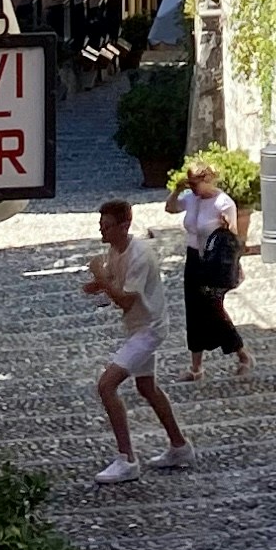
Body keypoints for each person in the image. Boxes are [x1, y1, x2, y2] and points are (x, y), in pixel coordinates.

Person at [83, 196, 188, 484]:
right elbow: (113, 281)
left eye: (107, 226)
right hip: (138, 326)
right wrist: (97, 283)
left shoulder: (140, 254)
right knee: (146, 387)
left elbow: (126, 301)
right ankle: (180, 446)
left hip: (149, 328)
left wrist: (100, 278)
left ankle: (127, 459)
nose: (101, 232)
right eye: (100, 225)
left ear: (124, 225)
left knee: (106, 385)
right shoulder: (116, 250)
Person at [175, 159, 250, 379]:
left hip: (214, 261)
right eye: (189, 184)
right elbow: (170, 208)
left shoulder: (223, 203)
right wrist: (178, 190)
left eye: (194, 184)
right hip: (193, 259)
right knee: (193, 312)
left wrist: (235, 266)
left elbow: (232, 239)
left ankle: (243, 354)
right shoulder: (191, 199)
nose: (192, 188)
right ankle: (196, 367)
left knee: (213, 309)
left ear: (207, 180)